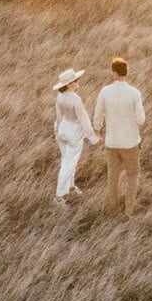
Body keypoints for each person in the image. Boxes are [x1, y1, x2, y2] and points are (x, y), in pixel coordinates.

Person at [92, 56, 146, 214]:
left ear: (114, 73)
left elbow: (97, 115)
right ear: (126, 73)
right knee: (133, 175)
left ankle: (112, 209)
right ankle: (129, 210)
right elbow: (141, 120)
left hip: (112, 142)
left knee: (112, 177)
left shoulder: (105, 91)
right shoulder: (134, 93)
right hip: (130, 143)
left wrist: (97, 130)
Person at [52, 68, 98, 204]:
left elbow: (59, 116)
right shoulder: (75, 100)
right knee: (68, 163)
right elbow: (84, 120)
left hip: (62, 130)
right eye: (75, 80)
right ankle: (59, 196)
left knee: (67, 160)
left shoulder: (60, 97)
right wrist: (93, 138)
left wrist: (57, 131)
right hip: (73, 133)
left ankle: (71, 186)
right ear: (69, 84)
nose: (78, 81)